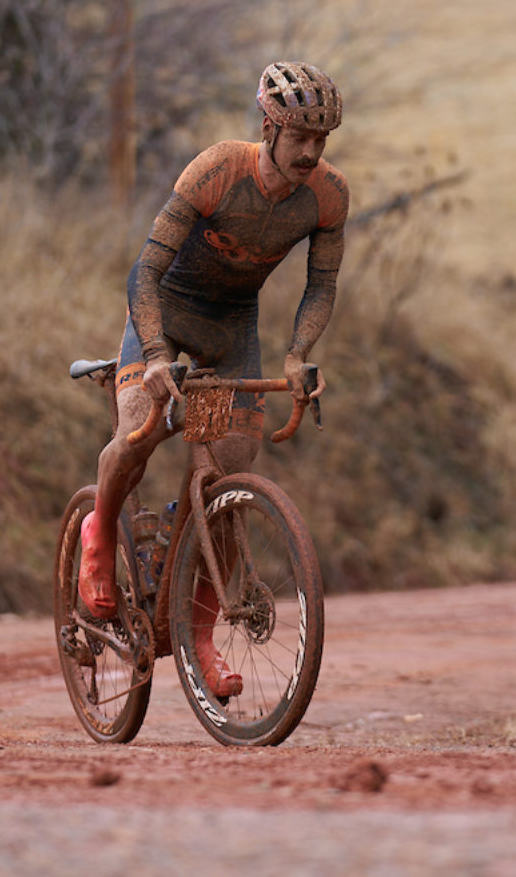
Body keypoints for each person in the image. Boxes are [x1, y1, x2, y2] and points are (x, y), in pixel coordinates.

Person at [79, 61, 348, 698]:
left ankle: (199, 639)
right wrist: (154, 353)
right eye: (300, 137)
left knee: (227, 474)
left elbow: (321, 285)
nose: (311, 153)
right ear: (269, 127)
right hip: (166, 315)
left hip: (231, 329)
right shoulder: (218, 170)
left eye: (321, 140)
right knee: (139, 430)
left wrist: (297, 354)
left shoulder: (328, 196)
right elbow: (145, 272)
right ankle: (99, 534)